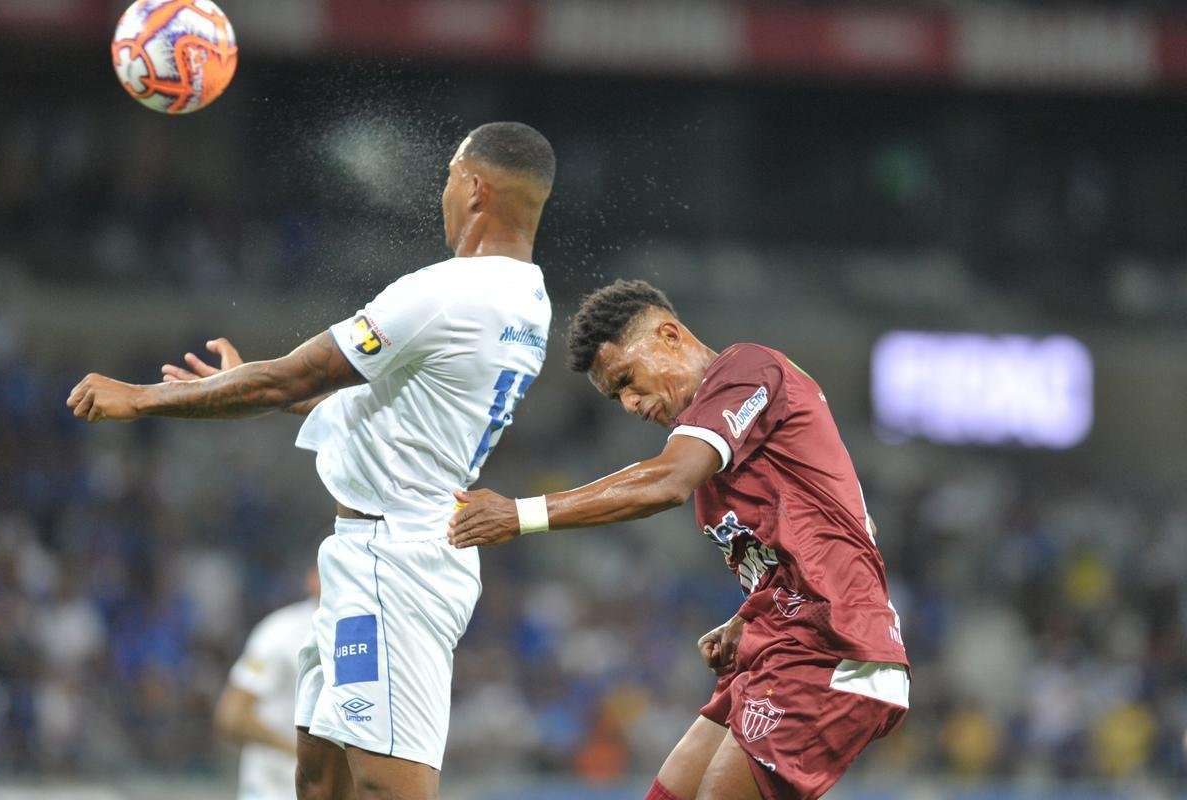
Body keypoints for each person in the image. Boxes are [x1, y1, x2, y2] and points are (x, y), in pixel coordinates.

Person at [67, 121, 556, 800]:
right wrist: (235, 387)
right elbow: (381, 415)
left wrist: (141, 399)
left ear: (474, 186)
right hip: (375, 550)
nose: (443, 190)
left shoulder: (449, 291)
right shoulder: (524, 299)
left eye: (448, 175)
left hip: (397, 559)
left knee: (389, 784)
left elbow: (289, 379)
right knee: (320, 781)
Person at [448, 279, 909, 800]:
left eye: (628, 379)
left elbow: (668, 482)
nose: (629, 403)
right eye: (615, 394)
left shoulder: (746, 370)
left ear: (669, 336)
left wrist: (520, 514)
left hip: (831, 643)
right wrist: (748, 615)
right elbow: (845, 527)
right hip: (781, 640)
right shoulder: (725, 436)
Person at [216, 565, 320, 800]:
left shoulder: (359, 630)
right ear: (312, 579)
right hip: (273, 789)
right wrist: (302, 753)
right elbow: (232, 716)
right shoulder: (281, 631)